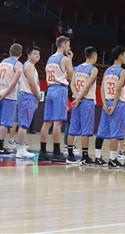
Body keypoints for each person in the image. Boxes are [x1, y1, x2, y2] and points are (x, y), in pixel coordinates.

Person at [40, 36, 74, 164]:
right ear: (63, 45)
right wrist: (70, 60)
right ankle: (56, 152)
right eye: (68, 45)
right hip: (60, 89)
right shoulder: (65, 59)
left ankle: (43, 152)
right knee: (58, 122)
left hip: (50, 89)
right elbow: (71, 76)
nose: (69, 47)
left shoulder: (50, 58)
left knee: (47, 122)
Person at [96, 45, 125, 168]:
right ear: (120, 56)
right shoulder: (122, 71)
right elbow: (118, 89)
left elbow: (102, 89)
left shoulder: (107, 71)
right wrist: (114, 105)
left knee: (101, 131)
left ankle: (98, 157)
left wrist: (104, 103)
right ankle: (112, 159)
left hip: (106, 102)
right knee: (115, 132)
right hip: (117, 103)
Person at [69, 46, 99, 166]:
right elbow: (87, 87)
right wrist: (80, 98)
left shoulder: (77, 68)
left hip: (76, 100)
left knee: (73, 128)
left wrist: (76, 97)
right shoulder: (93, 69)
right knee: (85, 130)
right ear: (94, 55)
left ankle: (70, 155)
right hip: (86, 101)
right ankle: (84, 157)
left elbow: (72, 84)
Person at [0, 44, 24, 155]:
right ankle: (0, 147)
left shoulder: (3, 62)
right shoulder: (18, 64)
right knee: (4, 123)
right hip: (8, 96)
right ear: (20, 54)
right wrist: (4, 94)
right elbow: (13, 83)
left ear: (10, 52)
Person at [15, 46, 41, 159]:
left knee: (24, 124)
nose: (37, 56)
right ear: (29, 55)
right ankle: (20, 150)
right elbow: (31, 83)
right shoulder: (29, 65)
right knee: (23, 124)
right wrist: (38, 95)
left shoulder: (31, 66)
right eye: (35, 53)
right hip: (27, 95)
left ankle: (22, 148)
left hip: (28, 96)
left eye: (38, 54)